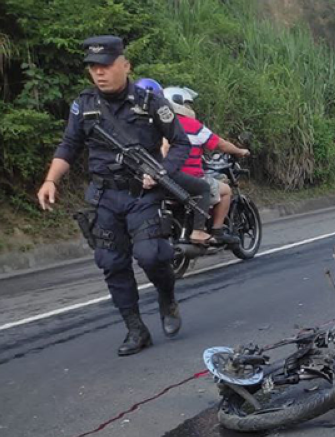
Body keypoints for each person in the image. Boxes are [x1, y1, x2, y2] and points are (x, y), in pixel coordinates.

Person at [36, 36, 191, 355]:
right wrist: (51, 179)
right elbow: (69, 145)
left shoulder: (151, 102)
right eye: (93, 67)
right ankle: (135, 329)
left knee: (152, 255)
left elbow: (181, 143)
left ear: (125, 64)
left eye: (106, 65)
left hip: (143, 193)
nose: (99, 73)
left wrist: (160, 173)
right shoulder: (84, 105)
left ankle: (166, 296)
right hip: (105, 196)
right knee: (111, 261)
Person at [161, 85, 249, 245]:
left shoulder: (159, 124)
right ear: (180, 104)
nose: (189, 108)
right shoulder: (191, 125)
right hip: (188, 177)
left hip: (161, 179)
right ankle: (216, 230)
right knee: (226, 190)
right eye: (187, 104)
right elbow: (220, 144)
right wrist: (239, 151)